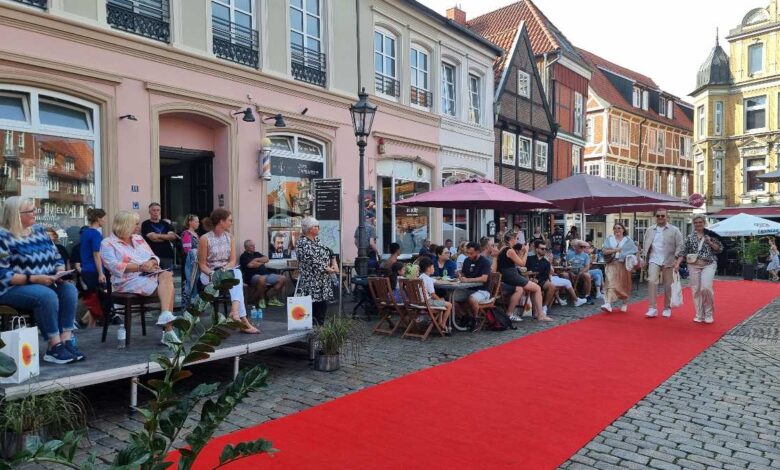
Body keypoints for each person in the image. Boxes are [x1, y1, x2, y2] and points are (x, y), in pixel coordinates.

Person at [0, 196, 83, 364]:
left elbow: (56, 256)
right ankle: (54, 346)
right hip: (11, 288)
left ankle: (66, 340)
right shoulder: (3, 237)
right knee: (46, 295)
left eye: (34, 209)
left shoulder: (39, 231)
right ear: (16, 214)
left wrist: (60, 272)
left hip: (45, 282)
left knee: (69, 290)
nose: (35, 213)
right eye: (30, 211)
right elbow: (3, 274)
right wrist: (35, 278)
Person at [100, 210, 179, 346]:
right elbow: (113, 266)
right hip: (126, 282)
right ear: (125, 225)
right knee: (169, 289)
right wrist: (140, 267)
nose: (139, 227)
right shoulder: (107, 243)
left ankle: (165, 315)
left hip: (148, 275)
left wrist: (151, 262)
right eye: (135, 224)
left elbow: (154, 256)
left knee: (167, 275)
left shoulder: (138, 238)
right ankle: (168, 330)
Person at [197, 209, 258, 333]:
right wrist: (213, 273)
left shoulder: (230, 237)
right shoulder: (205, 238)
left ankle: (234, 312)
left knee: (237, 273)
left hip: (227, 271)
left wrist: (224, 270)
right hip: (209, 274)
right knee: (237, 279)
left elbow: (232, 260)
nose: (231, 222)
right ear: (221, 221)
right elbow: (202, 265)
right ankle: (243, 321)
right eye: (230, 220)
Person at [497, 231, 550, 322]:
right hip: (511, 275)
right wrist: (526, 251)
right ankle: (541, 315)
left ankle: (536, 313)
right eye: (516, 239)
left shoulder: (502, 248)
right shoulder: (509, 250)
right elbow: (522, 263)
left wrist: (522, 252)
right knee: (537, 288)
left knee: (528, 288)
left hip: (506, 276)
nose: (517, 241)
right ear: (511, 240)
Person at [680, 216, 723, 323]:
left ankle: (709, 313)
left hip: (709, 264)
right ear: (693, 224)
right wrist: (677, 264)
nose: (698, 224)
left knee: (706, 288)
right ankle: (699, 314)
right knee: (696, 290)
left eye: (700, 222)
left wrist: (710, 242)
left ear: (704, 223)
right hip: (693, 265)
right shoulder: (690, 237)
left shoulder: (711, 235)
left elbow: (720, 249)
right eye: (696, 222)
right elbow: (683, 252)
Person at [642, 209, 684, 318]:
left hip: (669, 259)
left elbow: (680, 245)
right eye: (658, 216)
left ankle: (667, 307)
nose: (660, 218)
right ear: (656, 217)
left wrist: (676, 259)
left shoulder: (675, 230)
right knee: (651, 280)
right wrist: (644, 258)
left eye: (662, 216)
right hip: (653, 259)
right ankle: (652, 308)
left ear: (667, 217)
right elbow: (645, 244)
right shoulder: (650, 229)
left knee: (668, 285)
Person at [527, 240, 586, 314]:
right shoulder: (529, 259)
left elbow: (546, 276)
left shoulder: (546, 262)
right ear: (537, 249)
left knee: (552, 286)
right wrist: (531, 278)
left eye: (545, 249)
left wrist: (538, 280)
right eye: (542, 249)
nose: (544, 250)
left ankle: (544, 307)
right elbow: (525, 270)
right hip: (529, 280)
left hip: (541, 281)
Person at [297, 217, 336, 325]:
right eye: (316, 226)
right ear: (310, 229)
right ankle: (314, 333)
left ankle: (320, 330)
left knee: (322, 306)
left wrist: (333, 263)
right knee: (314, 308)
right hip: (312, 281)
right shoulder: (303, 242)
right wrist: (326, 268)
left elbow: (329, 252)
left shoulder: (317, 241)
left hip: (322, 281)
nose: (319, 228)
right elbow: (311, 259)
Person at [78, 208, 108, 326]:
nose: (105, 221)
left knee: (95, 301)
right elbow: (96, 254)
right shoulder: (96, 234)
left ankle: (90, 325)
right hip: (94, 270)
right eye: (104, 218)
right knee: (102, 300)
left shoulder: (85, 232)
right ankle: (85, 322)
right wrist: (101, 273)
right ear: (98, 219)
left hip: (86, 270)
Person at [601, 223, 638, 313]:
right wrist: (615, 250)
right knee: (610, 282)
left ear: (623, 230)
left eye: (619, 228)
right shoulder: (609, 239)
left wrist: (632, 260)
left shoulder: (628, 240)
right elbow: (604, 251)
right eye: (615, 228)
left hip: (623, 264)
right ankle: (608, 303)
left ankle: (624, 302)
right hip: (612, 263)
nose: (617, 230)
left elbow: (635, 251)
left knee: (624, 284)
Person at [239, 239, 287, 308]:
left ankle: (272, 298)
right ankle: (261, 299)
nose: (254, 247)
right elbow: (250, 265)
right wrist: (261, 262)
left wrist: (256, 260)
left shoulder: (257, 254)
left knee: (283, 278)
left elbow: (266, 259)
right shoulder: (243, 256)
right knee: (262, 279)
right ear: (246, 247)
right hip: (252, 277)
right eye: (252, 246)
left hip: (266, 274)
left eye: (254, 245)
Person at [459, 241, 495, 324]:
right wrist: (460, 274)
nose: (469, 255)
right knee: (451, 298)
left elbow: (484, 279)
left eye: (471, 253)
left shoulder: (485, 262)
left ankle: (475, 320)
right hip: (468, 289)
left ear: (478, 252)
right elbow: (464, 273)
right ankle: (465, 316)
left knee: (472, 299)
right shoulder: (467, 260)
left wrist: (467, 280)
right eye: (467, 253)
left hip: (483, 290)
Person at [418, 256, 452, 334]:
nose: (434, 268)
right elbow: (433, 295)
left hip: (420, 302)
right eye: (432, 267)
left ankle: (439, 322)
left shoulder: (421, 277)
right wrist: (440, 300)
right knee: (449, 305)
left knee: (442, 300)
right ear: (428, 268)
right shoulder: (428, 280)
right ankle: (443, 324)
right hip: (427, 302)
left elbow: (434, 280)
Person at [141, 203, 176, 270]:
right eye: (153, 210)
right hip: (152, 256)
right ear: (149, 212)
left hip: (167, 255)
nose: (156, 212)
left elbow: (172, 237)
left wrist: (157, 235)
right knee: (154, 277)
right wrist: (166, 237)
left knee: (167, 276)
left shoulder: (165, 223)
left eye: (158, 210)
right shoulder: (146, 224)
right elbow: (153, 238)